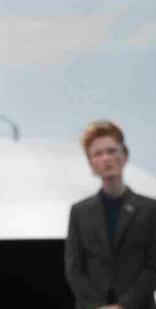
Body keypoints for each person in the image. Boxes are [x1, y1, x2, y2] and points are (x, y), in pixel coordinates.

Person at [65, 121, 156, 309]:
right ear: (91, 163)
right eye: (98, 154)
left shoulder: (149, 209)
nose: (106, 158)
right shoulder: (80, 212)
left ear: (125, 155)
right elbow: (74, 268)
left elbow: (153, 266)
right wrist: (97, 306)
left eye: (111, 151)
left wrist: (124, 306)